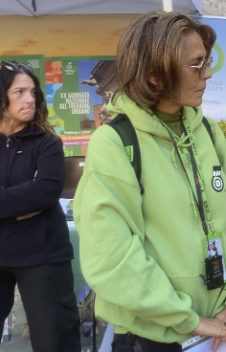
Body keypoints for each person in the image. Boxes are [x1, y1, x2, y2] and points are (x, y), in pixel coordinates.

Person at [73, 11, 226, 352]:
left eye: (206, 61)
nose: (208, 73)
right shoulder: (115, 143)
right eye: (196, 65)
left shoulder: (207, 132)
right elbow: (113, 257)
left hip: (221, 333)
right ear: (154, 75)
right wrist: (189, 320)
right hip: (152, 339)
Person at [0, 61, 81, 351]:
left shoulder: (48, 143)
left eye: (32, 92)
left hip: (43, 255)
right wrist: (20, 204)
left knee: (55, 340)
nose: (30, 99)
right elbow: (31, 195)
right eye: (19, 92)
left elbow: (44, 193)